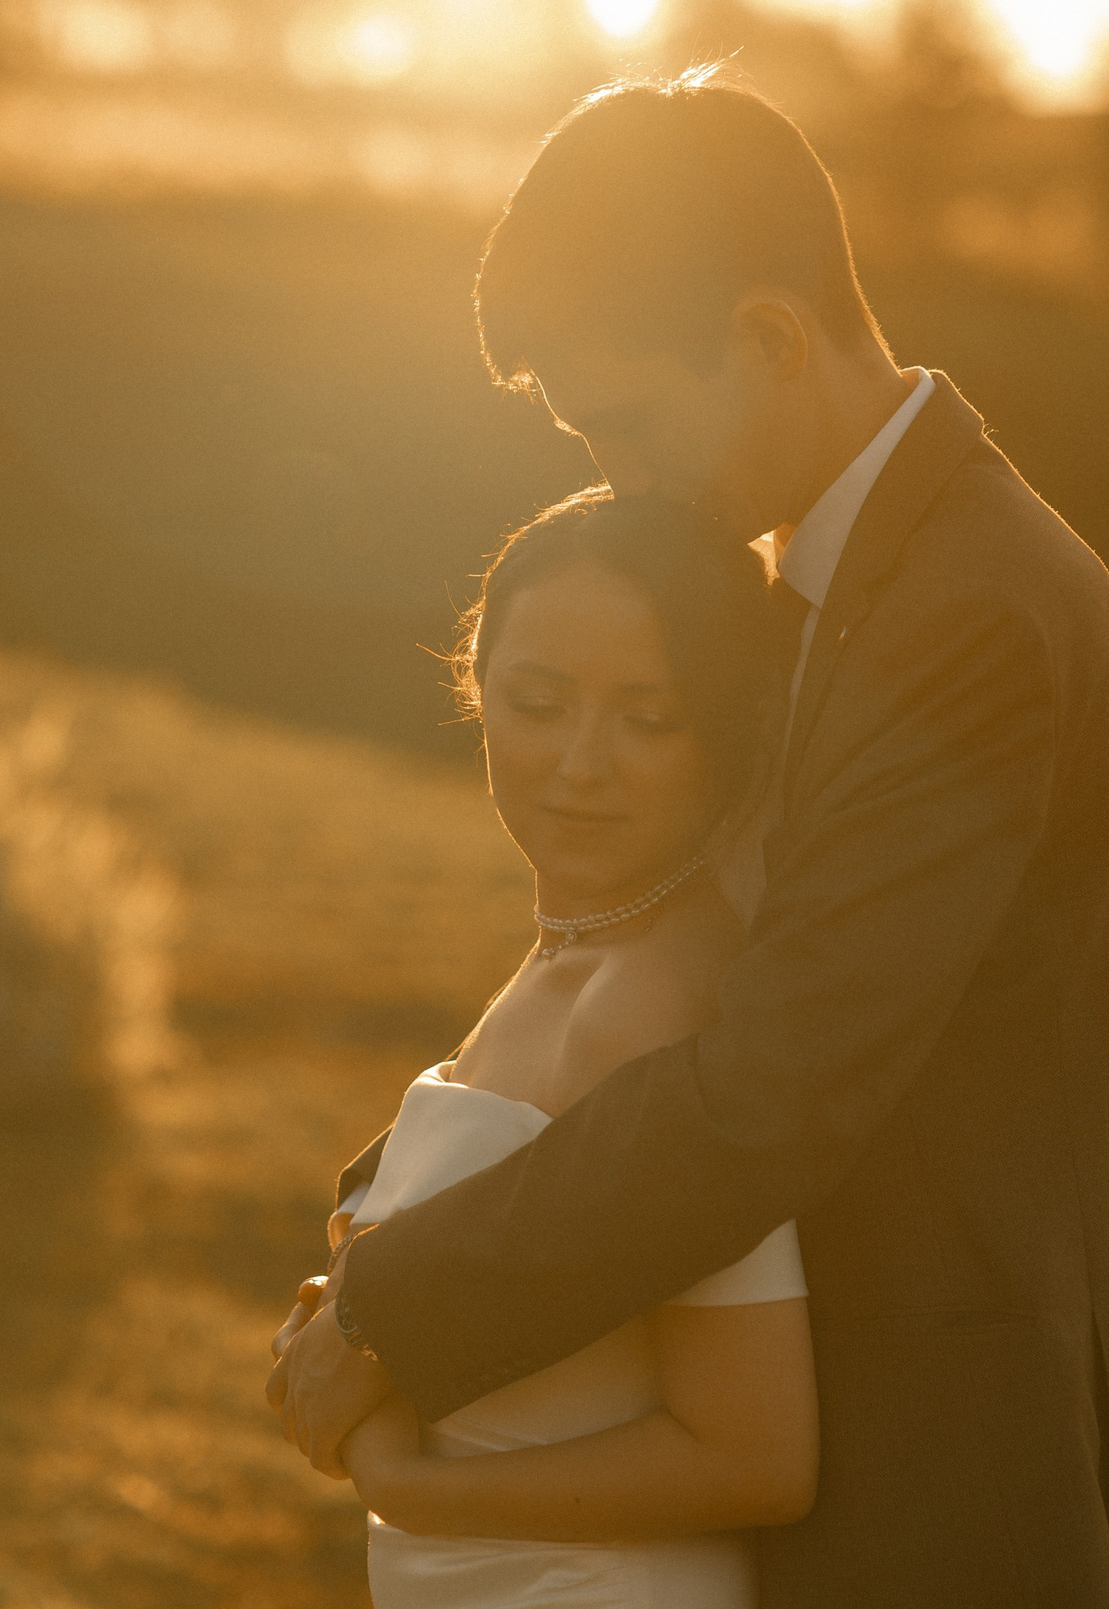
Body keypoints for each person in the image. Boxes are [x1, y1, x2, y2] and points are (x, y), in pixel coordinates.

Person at [268, 69, 1109, 1609]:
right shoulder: (841, 588)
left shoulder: (971, 610)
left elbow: (777, 1078)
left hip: (952, 1485)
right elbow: (674, 931)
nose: (618, 478)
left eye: (624, 421)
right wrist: (405, 1180)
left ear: (768, 336)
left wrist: (395, 1304)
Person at [325, 488, 813, 1605]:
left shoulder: (655, 1005)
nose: (581, 762)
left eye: (651, 717)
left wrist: (403, 1481)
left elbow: (753, 1451)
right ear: (476, 687)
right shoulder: (573, 956)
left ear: (729, 728)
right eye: (538, 701)